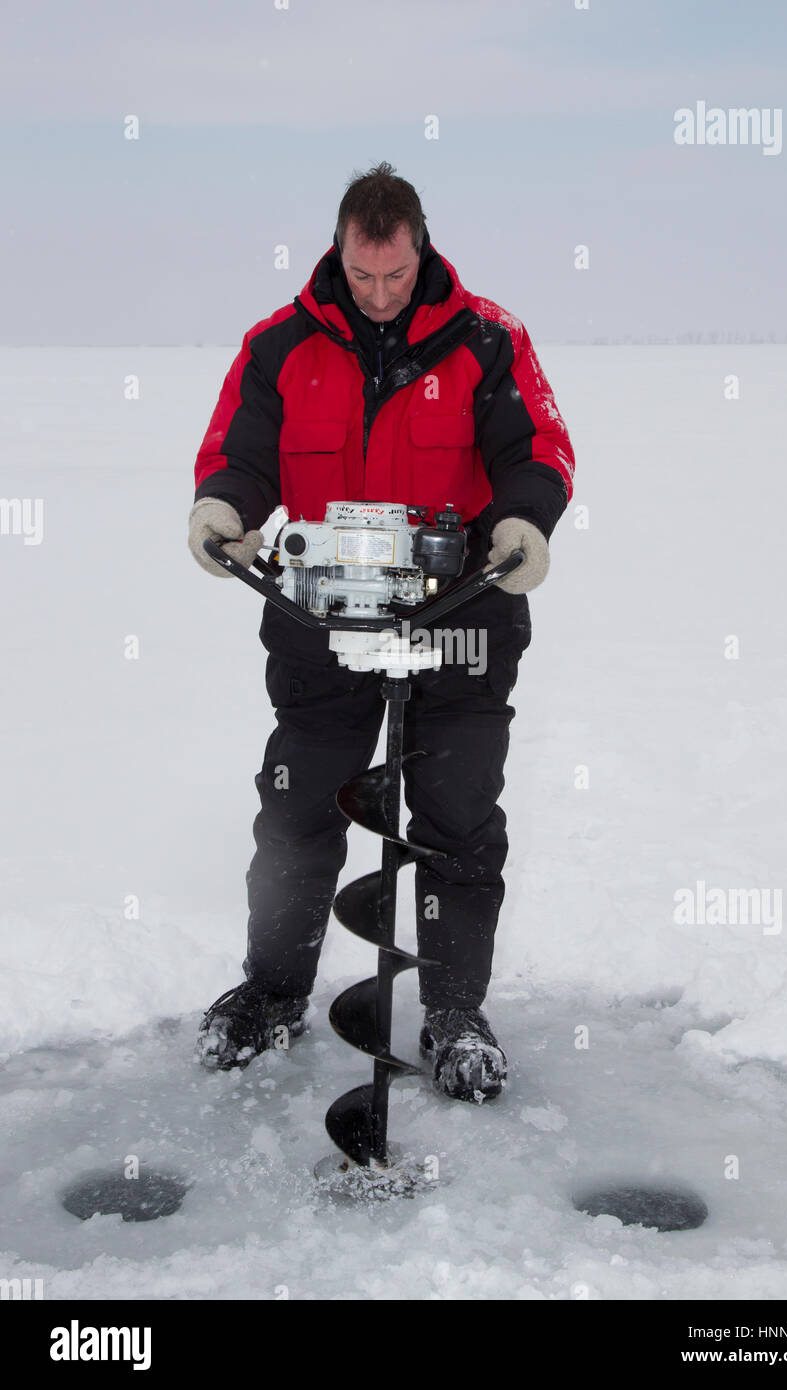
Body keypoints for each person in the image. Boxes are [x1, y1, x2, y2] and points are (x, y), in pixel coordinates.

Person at [188, 162, 574, 1102]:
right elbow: (240, 451)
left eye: (395, 276)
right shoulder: (281, 344)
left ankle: (454, 1017)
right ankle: (273, 995)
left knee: (456, 819)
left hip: (459, 615)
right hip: (324, 619)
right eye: (363, 277)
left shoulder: (489, 338)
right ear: (340, 251)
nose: (379, 295)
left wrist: (525, 519)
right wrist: (223, 507)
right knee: (296, 813)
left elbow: (536, 447)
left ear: (420, 248)